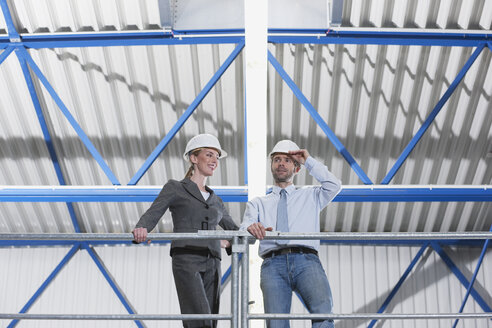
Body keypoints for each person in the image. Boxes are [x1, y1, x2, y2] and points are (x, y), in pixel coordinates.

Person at [132, 133, 239, 328]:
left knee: (211, 321)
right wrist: (142, 228)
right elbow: (154, 212)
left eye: (217, 156)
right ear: (193, 158)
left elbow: (235, 230)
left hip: (213, 261)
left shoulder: (216, 200)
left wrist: (251, 232)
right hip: (187, 257)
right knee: (198, 319)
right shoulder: (176, 187)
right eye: (209, 155)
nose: (215, 160)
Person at [240, 140, 341, 328]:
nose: (281, 163)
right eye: (277, 159)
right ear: (271, 166)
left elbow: (334, 185)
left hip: (307, 261)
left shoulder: (312, 195)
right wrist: (251, 229)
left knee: (323, 313)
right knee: (276, 323)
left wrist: (308, 160)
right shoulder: (258, 203)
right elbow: (244, 230)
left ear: (297, 168)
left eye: (287, 160)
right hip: (272, 265)